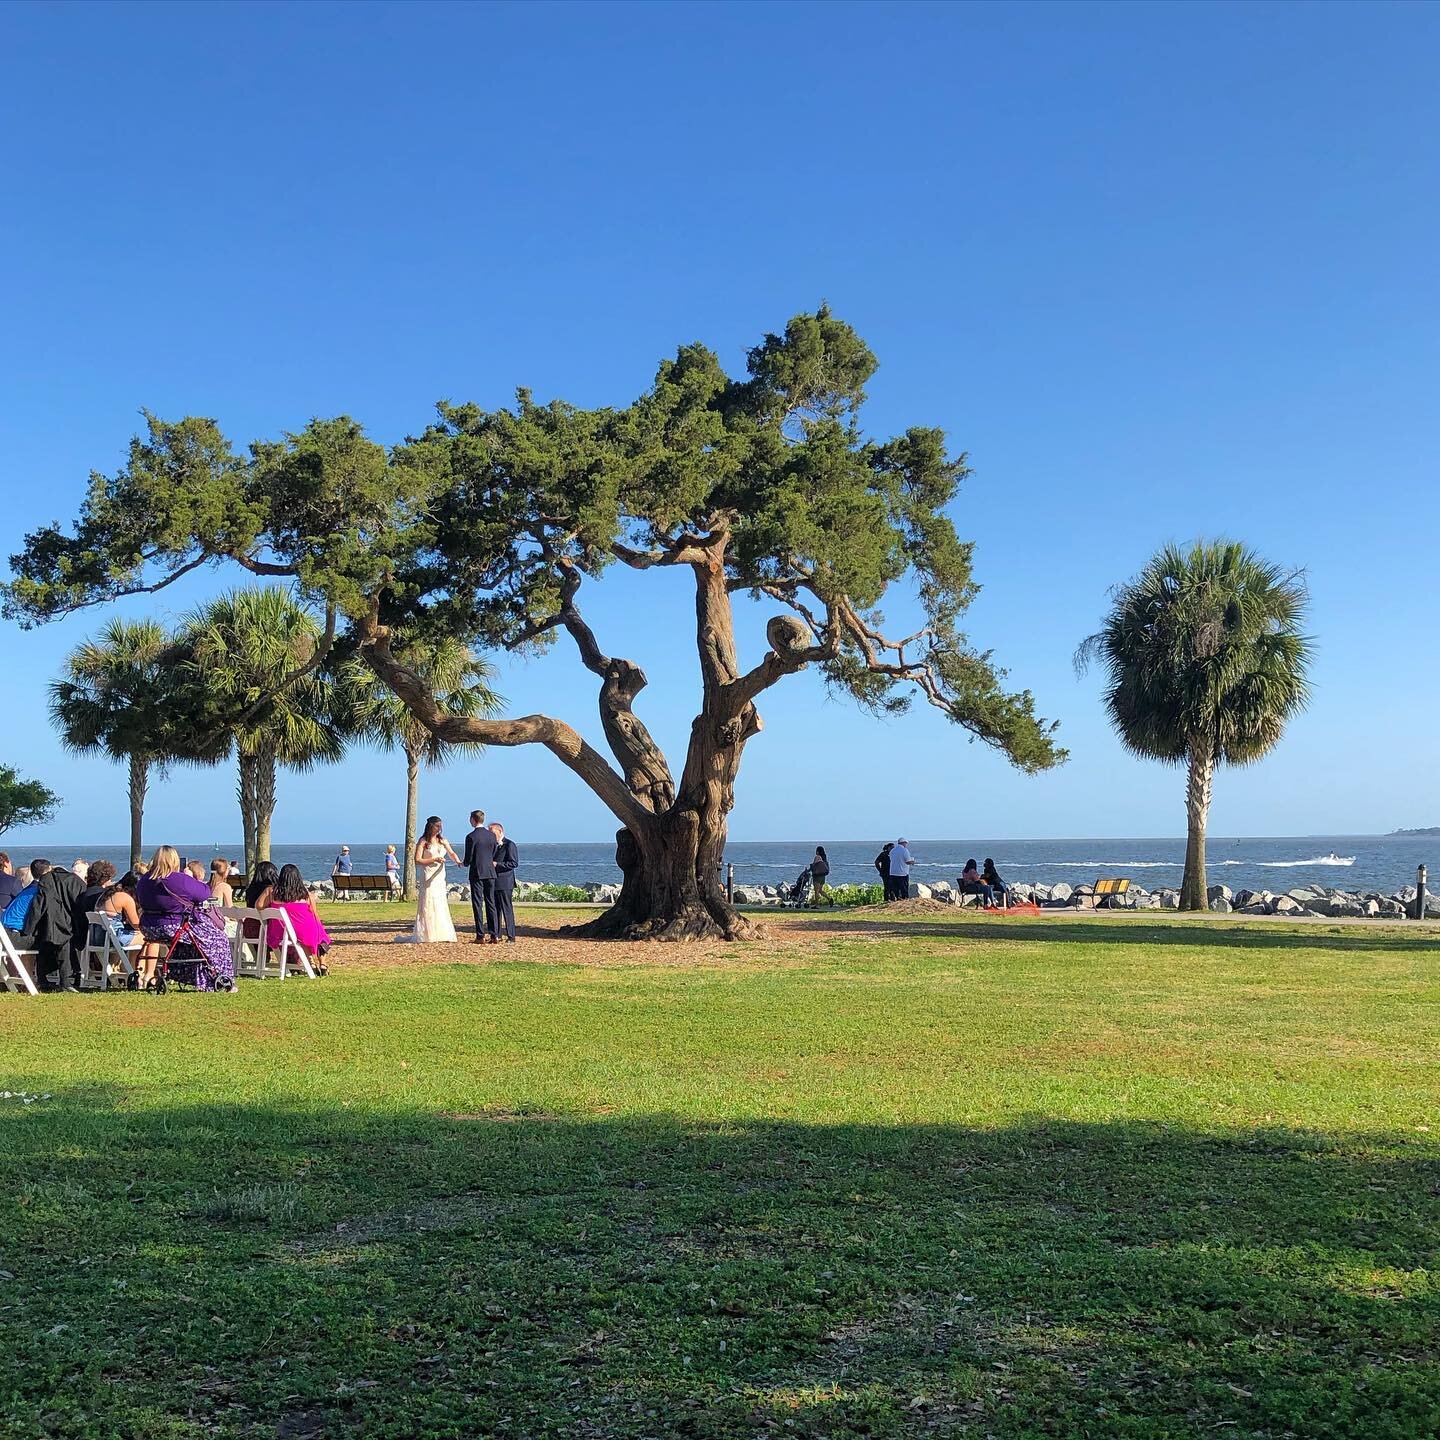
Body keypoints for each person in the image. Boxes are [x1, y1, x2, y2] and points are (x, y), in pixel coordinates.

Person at [135, 845, 233, 992]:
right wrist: (189, 877)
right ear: (174, 860)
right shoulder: (178, 879)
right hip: (174, 926)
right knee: (219, 939)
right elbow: (205, 893)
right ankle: (220, 977)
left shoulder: (144, 880)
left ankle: (188, 974)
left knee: (195, 942)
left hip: (149, 926)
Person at [20, 858, 87, 991]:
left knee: (47, 942)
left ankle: (45, 979)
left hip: (53, 922)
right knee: (64, 944)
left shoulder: (45, 882)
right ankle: (66, 980)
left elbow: (38, 906)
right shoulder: (73, 880)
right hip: (73, 921)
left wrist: (28, 929)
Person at [265, 863, 333, 970]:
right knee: (321, 935)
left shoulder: (273, 893)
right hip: (303, 931)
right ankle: (323, 963)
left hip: (280, 932)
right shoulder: (306, 895)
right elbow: (314, 914)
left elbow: (258, 906)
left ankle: (310, 961)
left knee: (304, 934)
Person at [413, 816, 460, 943]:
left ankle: (442, 932)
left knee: (440, 901)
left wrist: (457, 861)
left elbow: (451, 853)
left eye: (440, 826)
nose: (439, 829)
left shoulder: (442, 840)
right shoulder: (423, 841)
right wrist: (434, 859)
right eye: (437, 826)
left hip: (439, 876)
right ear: (430, 826)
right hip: (428, 875)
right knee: (428, 901)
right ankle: (427, 933)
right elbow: (417, 860)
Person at [461, 809, 499, 944]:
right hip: (490, 872)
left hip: (477, 872)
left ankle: (480, 935)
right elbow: (494, 851)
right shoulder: (492, 836)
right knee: (491, 903)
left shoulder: (471, 836)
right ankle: (494, 934)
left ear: (473, 819)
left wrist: (463, 863)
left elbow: (469, 857)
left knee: (477, 903)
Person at [489, 822, 518, 942]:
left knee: (507, 909)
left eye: (492, 833)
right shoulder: (491, 845)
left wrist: (497, 864)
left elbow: (513, 863)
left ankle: (511, 936)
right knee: (495, 909)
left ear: (500, 831)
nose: (490, 835)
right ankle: (496, 934)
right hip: (493, 881)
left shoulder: (509, 845)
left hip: (505, 881)